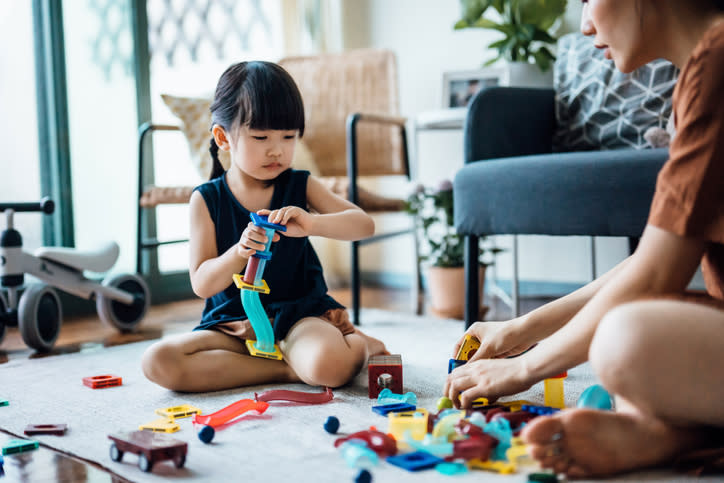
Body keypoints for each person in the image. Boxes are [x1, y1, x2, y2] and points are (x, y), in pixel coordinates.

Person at [444, 0, 724, 477]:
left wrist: (522, 369)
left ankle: (679, 435)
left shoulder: (718, 65)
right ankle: (677, 435)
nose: (585, 25)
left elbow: (656, 274)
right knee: (632, 338)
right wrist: (519, 332)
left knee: (623, 339)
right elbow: (651, 262)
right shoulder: (696, 76)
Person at [142, 61, 387, 393]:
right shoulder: (206, 199)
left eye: (289, 136)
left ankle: (356, 347)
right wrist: (239, 253)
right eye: (261, 137)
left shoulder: (300, 185)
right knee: (158, 361)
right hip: (233, 327)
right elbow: (202, 282)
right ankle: (288, 371)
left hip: (300, 320)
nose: (277, 149)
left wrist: (312, 222)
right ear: (223, 137)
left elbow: (363, 225)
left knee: (329, 365)